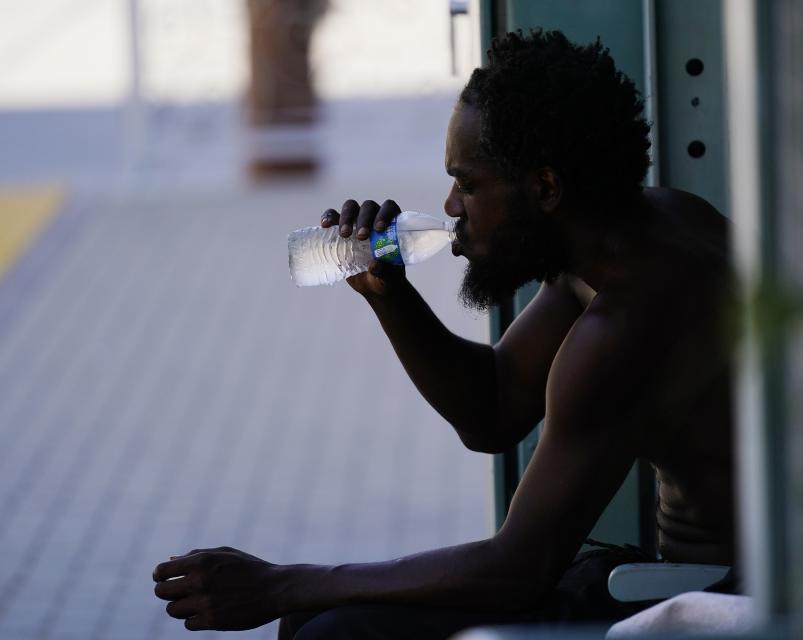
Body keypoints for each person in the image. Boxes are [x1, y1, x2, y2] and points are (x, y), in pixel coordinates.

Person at [152, 29, 738, 639]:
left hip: (715, 603)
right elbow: (494, 407)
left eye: (469, 183)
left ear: (544, 188)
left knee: (328, 632)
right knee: (315, 618)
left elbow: (517, 568)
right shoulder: (649, 223)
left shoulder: (628, 323)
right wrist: (391, 294)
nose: (452, 206)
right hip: (679, 584)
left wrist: (282, 583)